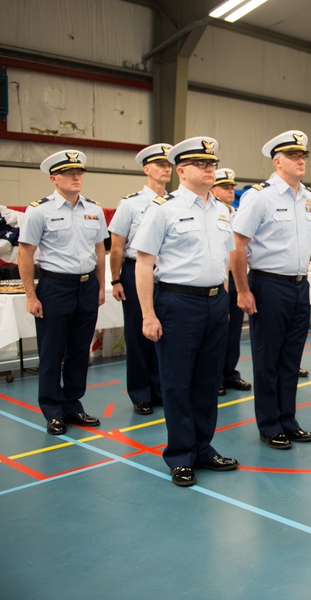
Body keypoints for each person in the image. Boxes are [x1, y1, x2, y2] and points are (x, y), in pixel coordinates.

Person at [132, 136, 239, 487]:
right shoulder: (163, 210)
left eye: (212, 163)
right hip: (177, 303)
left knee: (208, 381)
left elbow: (223, 261)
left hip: (213, 303)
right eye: (201, 164)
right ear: (181, 170)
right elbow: (144, 263)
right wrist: (148, 314)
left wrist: (222, 300)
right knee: (178, 382)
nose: (210, 169)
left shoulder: (221, 211)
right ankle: (180, 454)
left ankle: (202, 447)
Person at [231, 130, 311, 450]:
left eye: (304, 156)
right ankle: (269, 424)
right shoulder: (260, 197)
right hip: (268, 285)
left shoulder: (309, 199)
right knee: (268, 359)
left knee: (291, 359)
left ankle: (288, 419)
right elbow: (237, 245)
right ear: (277, 161)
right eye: (294, 156)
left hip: (299, 286)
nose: (301, 161)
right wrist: (243, 290)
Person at [18, 150, 108, 435]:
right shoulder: (39, 211)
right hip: (55, 287)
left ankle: (72, 405)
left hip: (87, 286)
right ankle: (52, 411)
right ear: (54, 178)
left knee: (80, 351)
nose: (77, 177)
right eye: (70, 173)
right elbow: (25, 254)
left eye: (79, 173)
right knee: (51, 352)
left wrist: (100, 285)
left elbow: (100, 250)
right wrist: (31, 296)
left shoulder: (93, 209)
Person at [108, 143, 172, 416]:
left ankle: (160, 389)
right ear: (147, 169)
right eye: (160, 164)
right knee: (137, 334)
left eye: (169, 165)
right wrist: (115, 280)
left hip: (167, 275)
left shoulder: (175, 201)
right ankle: (141, 393)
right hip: (135, 273)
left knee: (164, 335)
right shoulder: (130, 204)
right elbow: (117, 246)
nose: (166, 169)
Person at [210, 167, 253, 397]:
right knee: (218, 331)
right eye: (225, 187)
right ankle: (215, 377)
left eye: (231, 186)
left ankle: (230, 372)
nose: (231, 190)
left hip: (236, 277)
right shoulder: (212, 213)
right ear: (213, 190)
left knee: (234, 330)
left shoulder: (236, 213)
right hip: (218, 278)